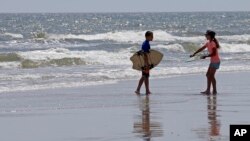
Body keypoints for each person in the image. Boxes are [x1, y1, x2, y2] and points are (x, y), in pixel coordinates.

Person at [190, 30, 220, 95]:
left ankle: (213, 90)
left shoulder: (212, 43)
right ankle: (208, 90)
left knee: (211, 76)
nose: (205, 36)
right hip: (213, 61)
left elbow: (214, 54)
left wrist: (206, 56)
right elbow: (202, 48)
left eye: (206, 35)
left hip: (216, 61)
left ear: (210, 36)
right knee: (208, 75)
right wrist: (194, 54)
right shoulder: (208, 43)